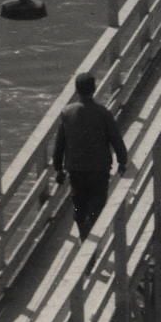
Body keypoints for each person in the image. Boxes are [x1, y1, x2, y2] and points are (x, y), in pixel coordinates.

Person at [53, 71, 128, 238]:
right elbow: (116, 139)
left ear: (77, 90)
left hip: (76, 169)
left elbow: (60, 144)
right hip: (99, 168)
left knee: (79, 204)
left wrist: (58, 168)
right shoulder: (103, 113)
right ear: (93, 89)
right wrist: (122, 161)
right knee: (97, 203)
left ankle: (83, 233)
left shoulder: (67, 113)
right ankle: (91, 227)